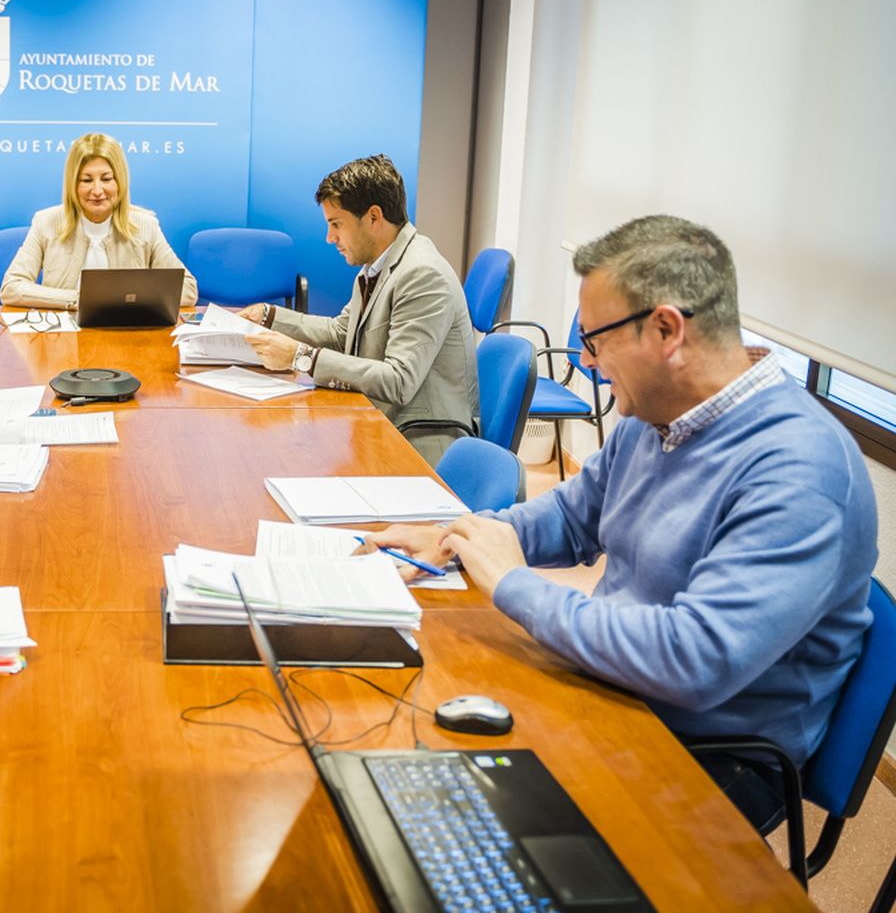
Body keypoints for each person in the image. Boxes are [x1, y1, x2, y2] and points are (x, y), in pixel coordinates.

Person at [370, 216, 878, 835]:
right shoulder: (660, 413)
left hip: (712, 753)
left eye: (594, 340)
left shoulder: (801, 469)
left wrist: (512, 583)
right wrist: (459, 534)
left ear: (666, 329)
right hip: (620, 688)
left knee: (469, 824)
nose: (587, 361)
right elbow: (570, 513)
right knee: (405, 754)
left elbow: (694, 661)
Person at [239, 154, 478, 464]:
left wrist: (301, 357)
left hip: (421, 444)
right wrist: (270, 316)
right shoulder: (378, 266)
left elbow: (399, 380)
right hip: (380, 420)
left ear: (374, 217)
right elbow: (341, 333)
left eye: (336, 224)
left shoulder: (423, 274)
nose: (330, 238)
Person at [0, 132, 198, 310]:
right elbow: (11, 288)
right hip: (62, 339)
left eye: (106, 179)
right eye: (86, 180)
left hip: (125, 338)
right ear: (72, 184)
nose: (97, 190)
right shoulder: (46, 222)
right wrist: (78, 299)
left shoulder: (145, 225)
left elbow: (188, 289)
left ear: (119, 181)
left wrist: (123, 300)